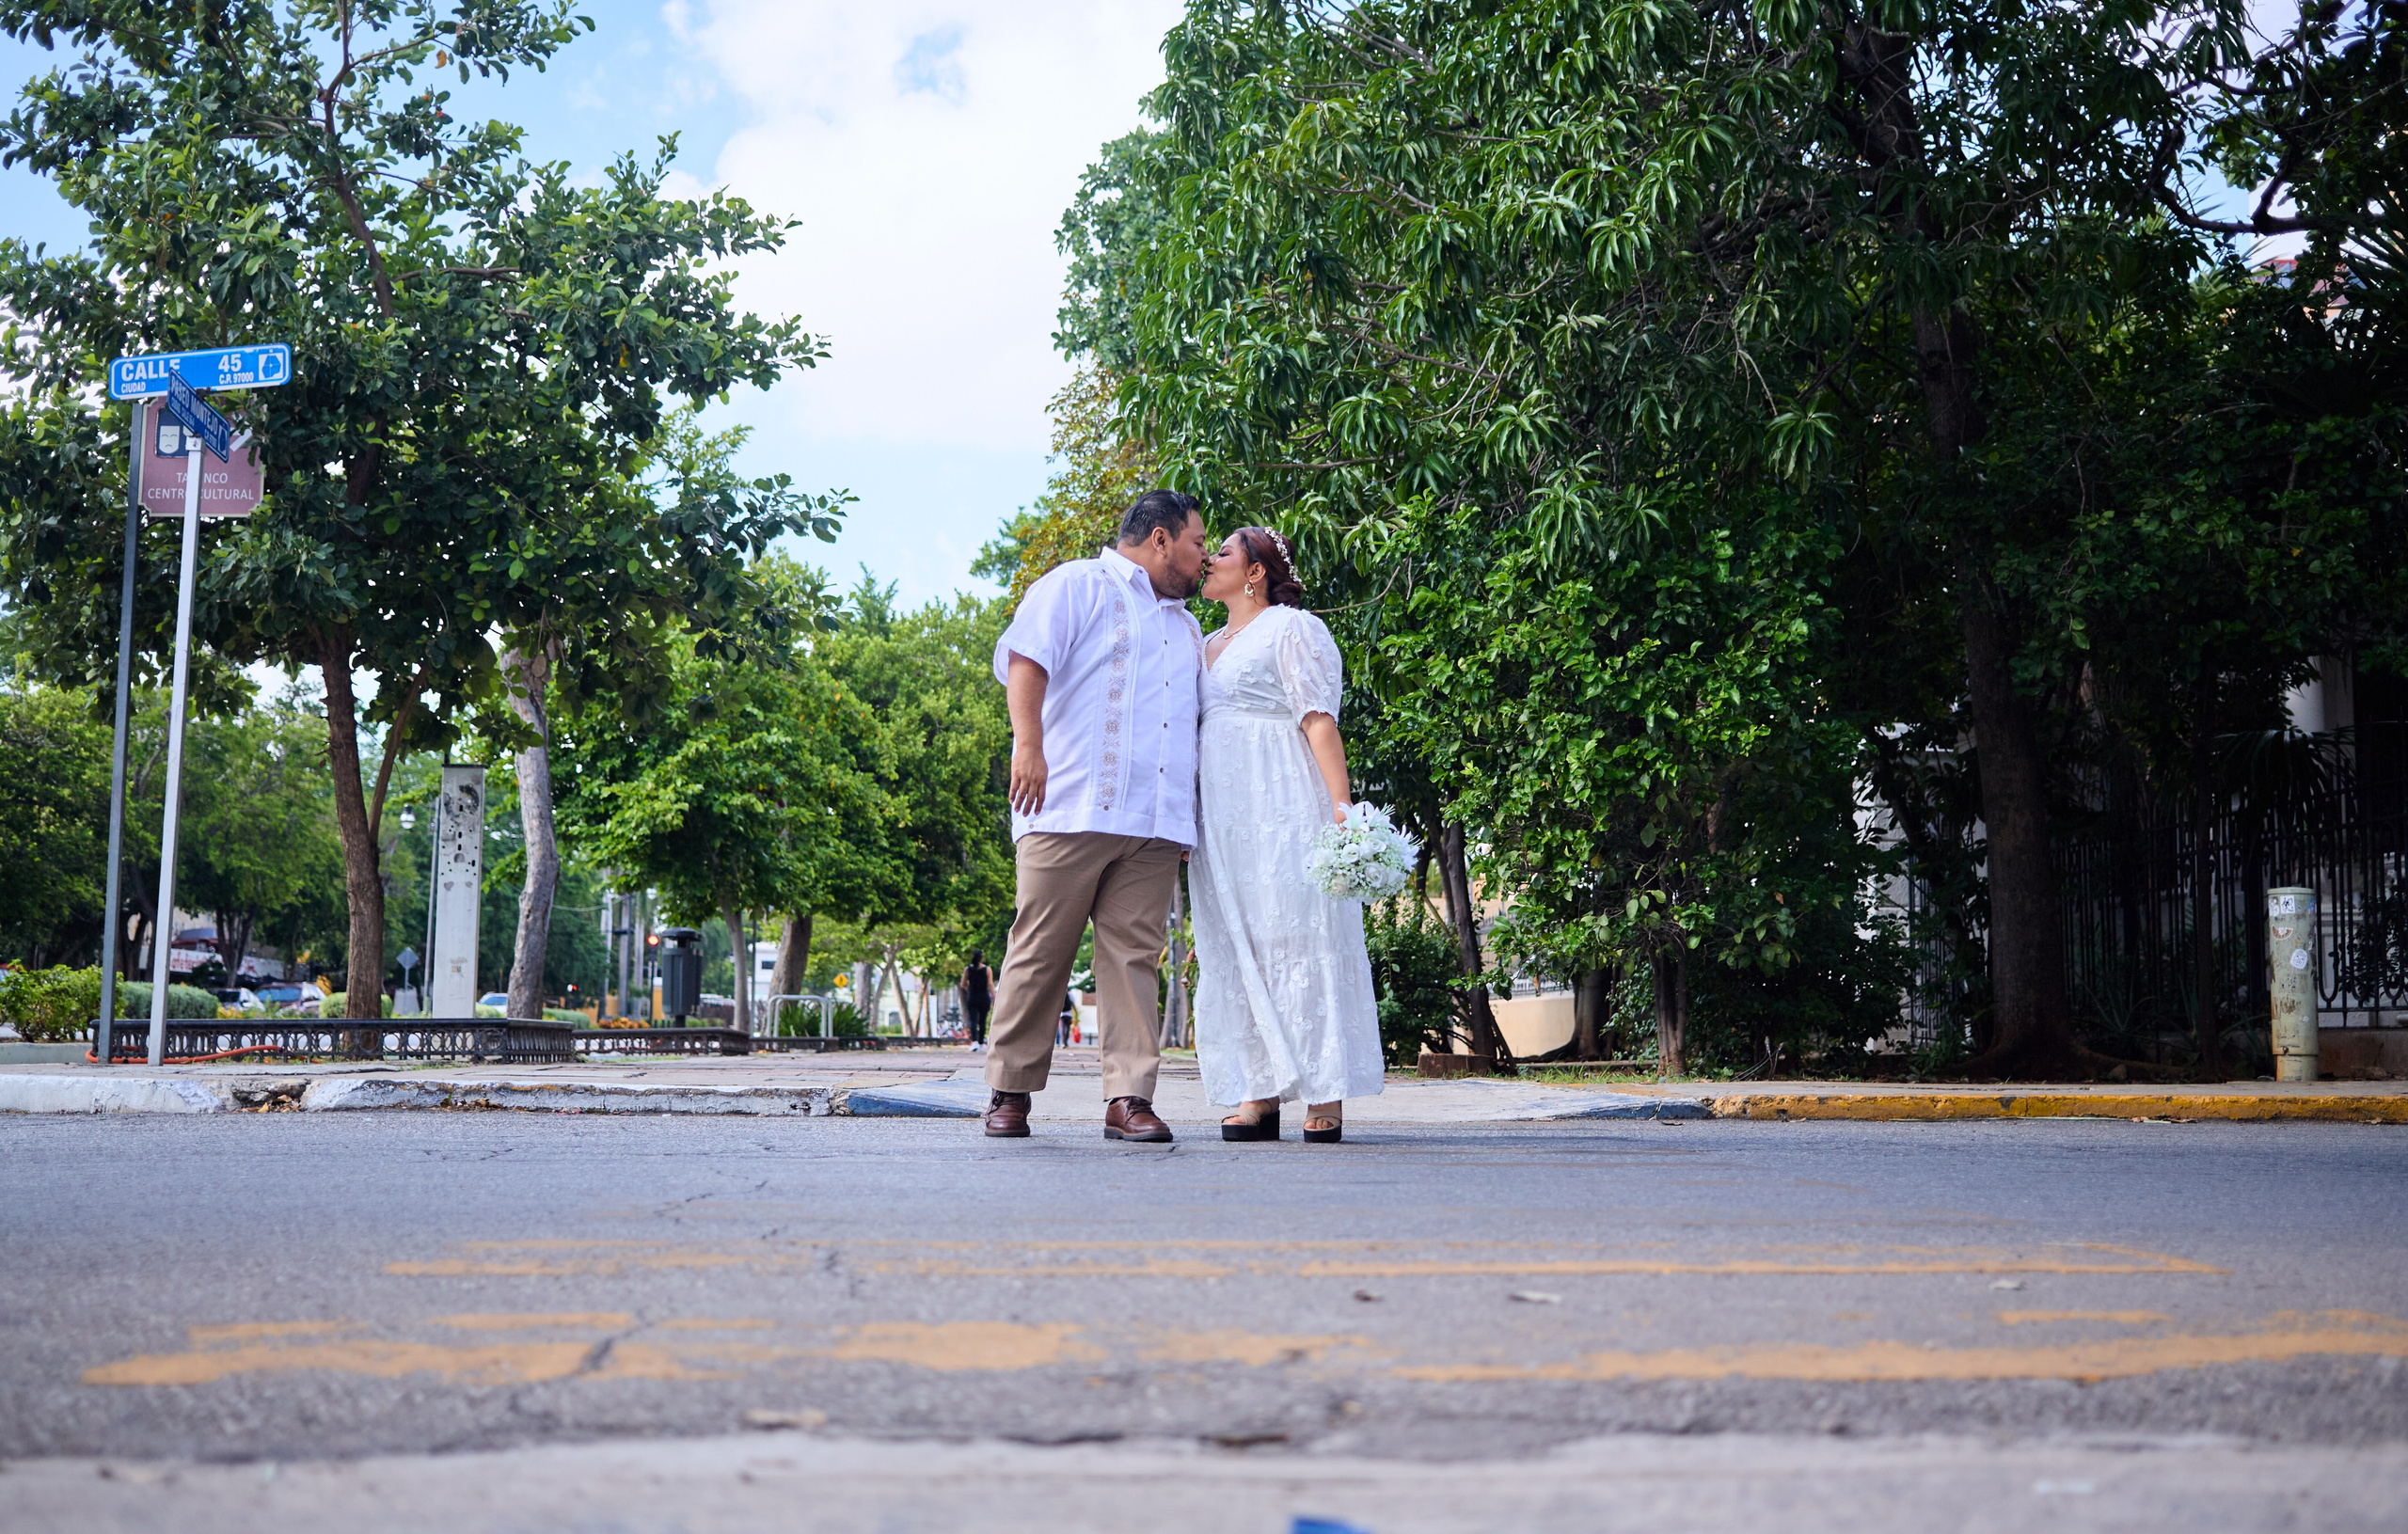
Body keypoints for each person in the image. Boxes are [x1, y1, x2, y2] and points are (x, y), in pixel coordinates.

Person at [980, 488, 1212, 1142]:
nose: (1202, 557)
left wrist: (1186, 815)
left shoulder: (1184, 625)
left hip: (1155, 822)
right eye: (1197, 543)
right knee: (1040, 949)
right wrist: (1028, 745)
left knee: (1134, 957)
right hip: (1068, 805)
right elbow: (1026, 661)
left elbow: (1188, 726)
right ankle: (1010, 1091)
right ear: (1161, 538)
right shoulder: (1076, 584)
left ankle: (1128, 1098)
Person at [1189, 526, 1385, 1144]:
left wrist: (1342, 809)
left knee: (1298, 930)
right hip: (1222, 815)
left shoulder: (1292, 628)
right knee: (1237, 939)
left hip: (1282, 800)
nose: (1208, 559)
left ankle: (1324, 1089)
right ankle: (1258, 1089)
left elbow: (1318, 719)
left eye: (1222, 551)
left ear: (1254, 572)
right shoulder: (1203, 642)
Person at [959, 951, 993, 1051]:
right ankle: (981, 1043)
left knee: (973, 1020)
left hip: (972, 996)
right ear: (982, 958)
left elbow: (963, 984)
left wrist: (969, 988)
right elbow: (990, 984)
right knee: (982, 1020)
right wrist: (995, 997)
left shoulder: (968, 969)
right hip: (984, 997)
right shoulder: (987, 969)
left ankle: (974, 1042)